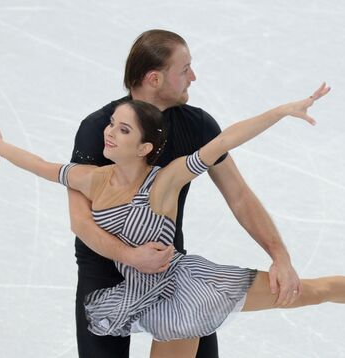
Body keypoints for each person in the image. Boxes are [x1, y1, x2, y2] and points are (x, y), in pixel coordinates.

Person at [0, 86, 345, 358]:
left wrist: (280, 111)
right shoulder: (89, 179)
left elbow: (222, 142)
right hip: (130, 292)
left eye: (122, 129)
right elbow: (34, 163)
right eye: (111, 124)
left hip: (187, 291)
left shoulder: (164, 181)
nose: (108, 132)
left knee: (310, 291)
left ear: (144, 146)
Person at [66, 29, 302, 358]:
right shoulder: (101, 130)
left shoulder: (196, 125)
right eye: (184, 69)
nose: (193, 76)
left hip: (171, 274)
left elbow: (239, 195)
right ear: (154, 79)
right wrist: (131, 257)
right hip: (105, 279)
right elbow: (81, 222)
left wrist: (280, 256)